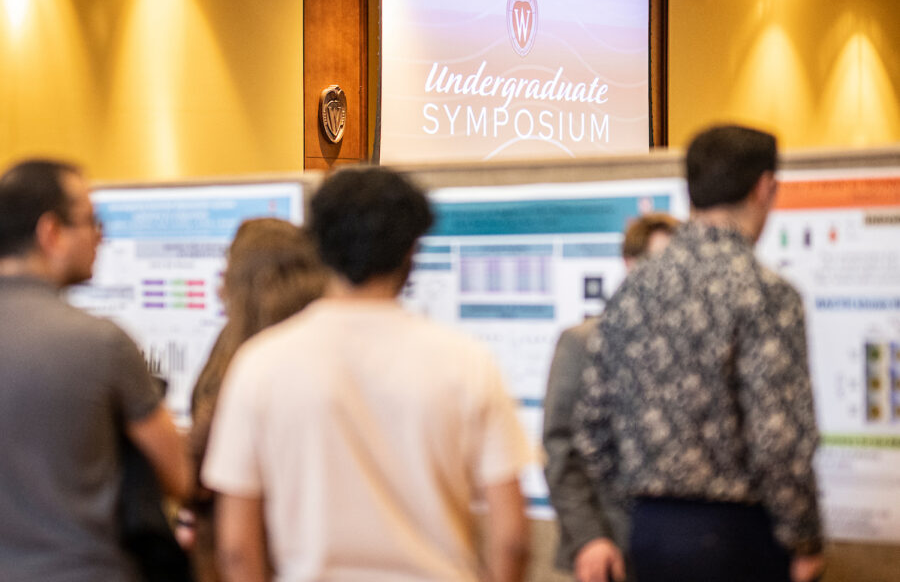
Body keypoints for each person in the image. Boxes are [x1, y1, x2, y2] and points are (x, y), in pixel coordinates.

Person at [202, 166, 532, 582]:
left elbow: (236, 547)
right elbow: (512, 538)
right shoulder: (466, 363)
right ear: (411, 252)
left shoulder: (260, 364)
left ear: (317, 245)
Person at [573, 125, 825, 582]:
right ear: (765, 188)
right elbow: (779, 440)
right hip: (741, 537)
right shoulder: (766, 293)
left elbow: (591, 428)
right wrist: (804, 538)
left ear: (689, 192)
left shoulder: (634, 290)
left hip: (649, 535)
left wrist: (645, 503)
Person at [0, 159, 191, 581]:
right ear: (50, 232)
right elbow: (178, 476)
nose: (102, 237)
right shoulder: (101, 343)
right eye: (92, 221)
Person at [180, 218, 328, 582]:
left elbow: (196, 458)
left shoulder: (249, 358)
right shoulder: (314, 348)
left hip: (242, 548)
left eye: (228, 270)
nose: (219, 288)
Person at [543, 213, 679, 582]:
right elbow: (560, 449)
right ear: (631, 264)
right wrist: (589, 538)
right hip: (608, 550)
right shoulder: (584, 342)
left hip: (680, 550)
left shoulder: (691, 348)